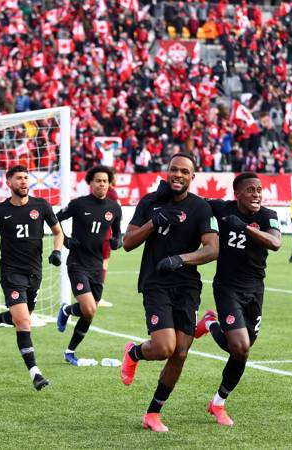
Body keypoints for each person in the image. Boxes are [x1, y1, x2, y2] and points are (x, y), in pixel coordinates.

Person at [120, 153, 219, 432]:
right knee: (165, 347)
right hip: (156, 282)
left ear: (192, 177)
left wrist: (181, 259)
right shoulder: (150, 202)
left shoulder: (200, 208)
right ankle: (134, 353)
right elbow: (127, 243)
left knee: (181, 353)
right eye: (174, 170)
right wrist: (154, 222)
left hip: (187, 286)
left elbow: (213, 249)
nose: (178, 175)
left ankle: (153, 413)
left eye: (184, 172)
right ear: (167, 172)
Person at [196, 172, 281, 425]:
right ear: (237, 194)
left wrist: (243, 227)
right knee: (240, 347)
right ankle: (219, 403)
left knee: (244, 349)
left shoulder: (268, 216)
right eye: (251, 190)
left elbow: (275, 243)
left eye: (259, 190)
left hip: (255, 289)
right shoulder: (221, 208)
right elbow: (194, 203)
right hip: (227, 287)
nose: (256, 194)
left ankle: (210, 323)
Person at [0, 165, 64, 391]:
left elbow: (58, 232)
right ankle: (35, 373)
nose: (24, 182)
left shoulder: (41, 206)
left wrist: (56, 251)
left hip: (34, 272)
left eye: (26, 178)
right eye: (19, 178)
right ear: (9, 183)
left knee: (22, 317)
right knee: (24, 322)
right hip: (11, 273)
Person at [55, 166, 122, 366]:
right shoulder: (78, 204)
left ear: (109, 183)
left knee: (89, 311)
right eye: (98, 180)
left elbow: (118, 232)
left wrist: (117, 241)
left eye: (105, 181)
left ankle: (69, 348)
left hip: (97, 266)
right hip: (77, 263)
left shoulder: (114, 208)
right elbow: (53, 220)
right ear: (90, 183)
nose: (102, 183)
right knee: (89, 309)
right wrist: (66, 240)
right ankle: (68, 327)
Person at [98, 169, 121, 307]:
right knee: (103, 264)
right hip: (106, 234)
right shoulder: (111, 192)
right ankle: (97, 296)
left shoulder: (102, 191)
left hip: (97, 232)